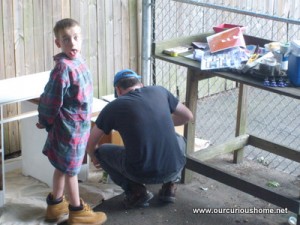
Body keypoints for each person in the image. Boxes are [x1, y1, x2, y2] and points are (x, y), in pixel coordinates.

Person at [86, 69, 193, 209]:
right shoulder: (159, 91)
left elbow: (91, 141)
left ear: (118, 90)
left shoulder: (114, 106)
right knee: (179, 139)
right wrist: (158, 121)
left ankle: (136, 192)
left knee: (102, 151)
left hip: (140, 172)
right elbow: (188, 116)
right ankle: (170, 186)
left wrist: (93, 155)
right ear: (141, 84)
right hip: (172, 167)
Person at [36, 18, 106, 224]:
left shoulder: (79, 61)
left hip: (80, 126)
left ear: (81, 39)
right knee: (71, 170)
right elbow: (50, 99)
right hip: (68, 129)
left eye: (76, 38)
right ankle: (77, 212)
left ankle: (55, 205)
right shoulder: (62, 68)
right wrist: (44, 120)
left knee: (62, 167)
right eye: (66, 39)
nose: (72, 43)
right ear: (58, 43)